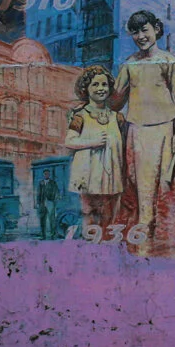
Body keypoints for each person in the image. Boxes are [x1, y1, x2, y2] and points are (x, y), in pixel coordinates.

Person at [110, 11, 175, 256]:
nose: (141, 36)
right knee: (140, 193)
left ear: (156, 29)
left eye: (145, 30)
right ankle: (140, 248)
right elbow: (116, 101)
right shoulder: (129, 64)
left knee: (166, 190)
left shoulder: (168, 60)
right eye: (135, 32)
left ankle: (168, 250)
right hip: (137, 133)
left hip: (164, 133)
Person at [64, 66, 125, 233]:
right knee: (89, 212)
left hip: (111, 176)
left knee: (109, 214)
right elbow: (69, 141)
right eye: (95, 85)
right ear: (86, 88)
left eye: (104, 85)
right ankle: (90, 244)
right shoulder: (80, 116)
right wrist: (92, 142)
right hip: (89, 174)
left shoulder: (117, 117)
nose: (101, 89)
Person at [36, 168, 61, 241]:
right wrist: (38, 203)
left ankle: (53, 235)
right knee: (42, 219)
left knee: (52, 219)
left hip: (50, 202)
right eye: (45, 174)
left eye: (48, 173)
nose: (46, 175)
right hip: (42, 203)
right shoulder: (41, 183)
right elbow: (38, 193)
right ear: (43, 175)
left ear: (49, 174)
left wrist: (55, 200)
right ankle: (43, 236)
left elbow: (57, 191)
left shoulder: (53, 183)